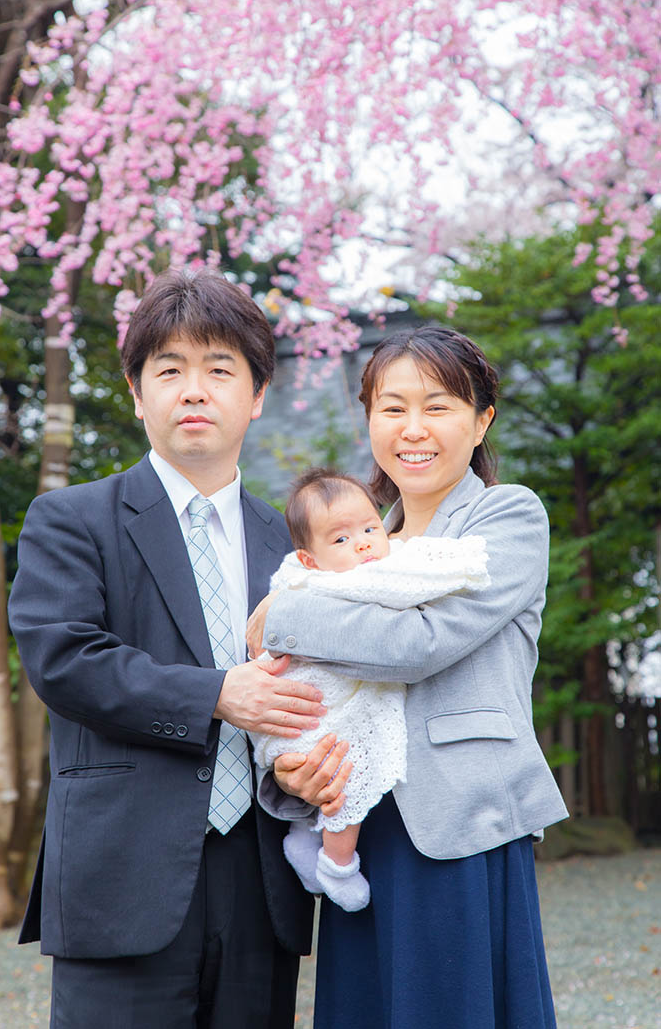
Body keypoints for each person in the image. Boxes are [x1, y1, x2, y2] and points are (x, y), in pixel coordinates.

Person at [7, 268, 328, 1029]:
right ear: (135, 391)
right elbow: (64, 658)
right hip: (122, 875)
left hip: (261, 875)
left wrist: (316, 762)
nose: (194, 390)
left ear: (255, 395)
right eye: (169, 370)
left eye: (219, 370)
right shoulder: (72, 520)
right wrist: (216, 693)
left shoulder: (292, 542)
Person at [247, 325, 570, 1029]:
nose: (413, 429)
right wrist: (294, 773)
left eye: (439, 406)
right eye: (392, 408)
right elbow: (308, 683)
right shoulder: (362, 539)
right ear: (368, 420)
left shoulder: (503, 517)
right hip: (361, 829)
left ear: (481, 419)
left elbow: (417, 643)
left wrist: (283, 615)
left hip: (458, 823)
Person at [250, 466, 490, 913]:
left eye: (368, 528)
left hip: (326, 704)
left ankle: (306, 839)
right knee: (349, 769)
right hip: (319, 704)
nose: (361, 542)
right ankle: (338, 863)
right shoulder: (349, 578)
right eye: (340, 539)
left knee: (332, 769)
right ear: (308, 558)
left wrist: (283, 612)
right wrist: (462, 566)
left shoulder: (305, 585)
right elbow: (408, 587)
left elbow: (414, 639)